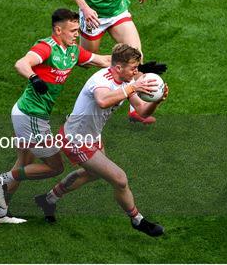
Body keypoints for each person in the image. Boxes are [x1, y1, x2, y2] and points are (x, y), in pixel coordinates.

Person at [0, 8, 111, 224]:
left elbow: (103, 60)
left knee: (24, 162)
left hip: (28, 114)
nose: (77, 34)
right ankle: (0, 179)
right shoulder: (46, 47)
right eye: (73, 30)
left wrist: (139, 68)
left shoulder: (73, 51)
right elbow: (21, 63)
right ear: (58, 29)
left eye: (78, 29)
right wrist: (35, 78)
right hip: (31, 116)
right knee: (55, 166)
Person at [34, 44, 168, 237]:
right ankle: (137, 220)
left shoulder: (126, 81)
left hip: (92, 136)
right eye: (133, 68)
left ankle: (49, 199)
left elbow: (141, 111)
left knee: (93, 174)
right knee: (120, 179)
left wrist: (156, 101)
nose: (137, 71)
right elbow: (103, 100)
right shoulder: (101, 80)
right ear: (119, 67)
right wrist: (132, 87)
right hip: (75, 140)